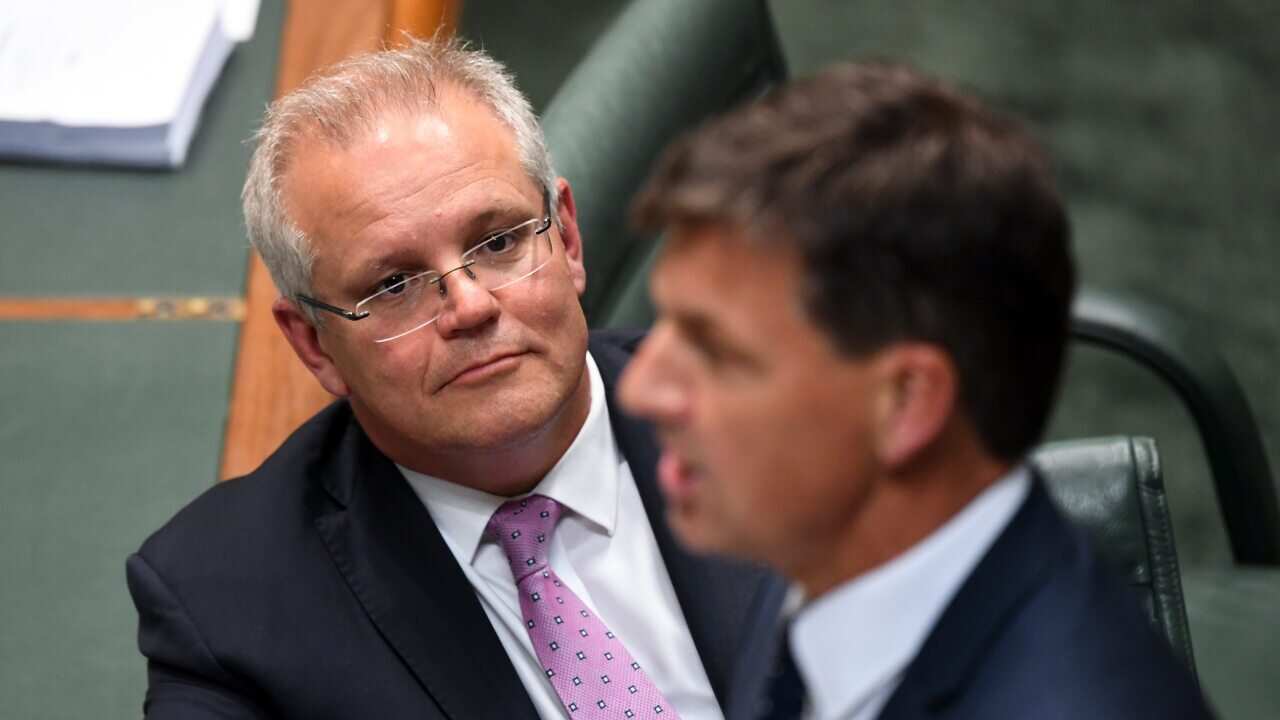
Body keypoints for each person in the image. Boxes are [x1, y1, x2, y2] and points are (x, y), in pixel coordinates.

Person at [126, 37, 779, 720]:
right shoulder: (228, 604)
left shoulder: (799, 405)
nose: (470, 306)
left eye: (498, 243)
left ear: (569, 240)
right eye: (396, 284)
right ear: (314, 345)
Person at [618, 62, 1214, 720]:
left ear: (906, 404)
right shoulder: (838, 600)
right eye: (662, 324)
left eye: (713, 349)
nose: (640, 388)